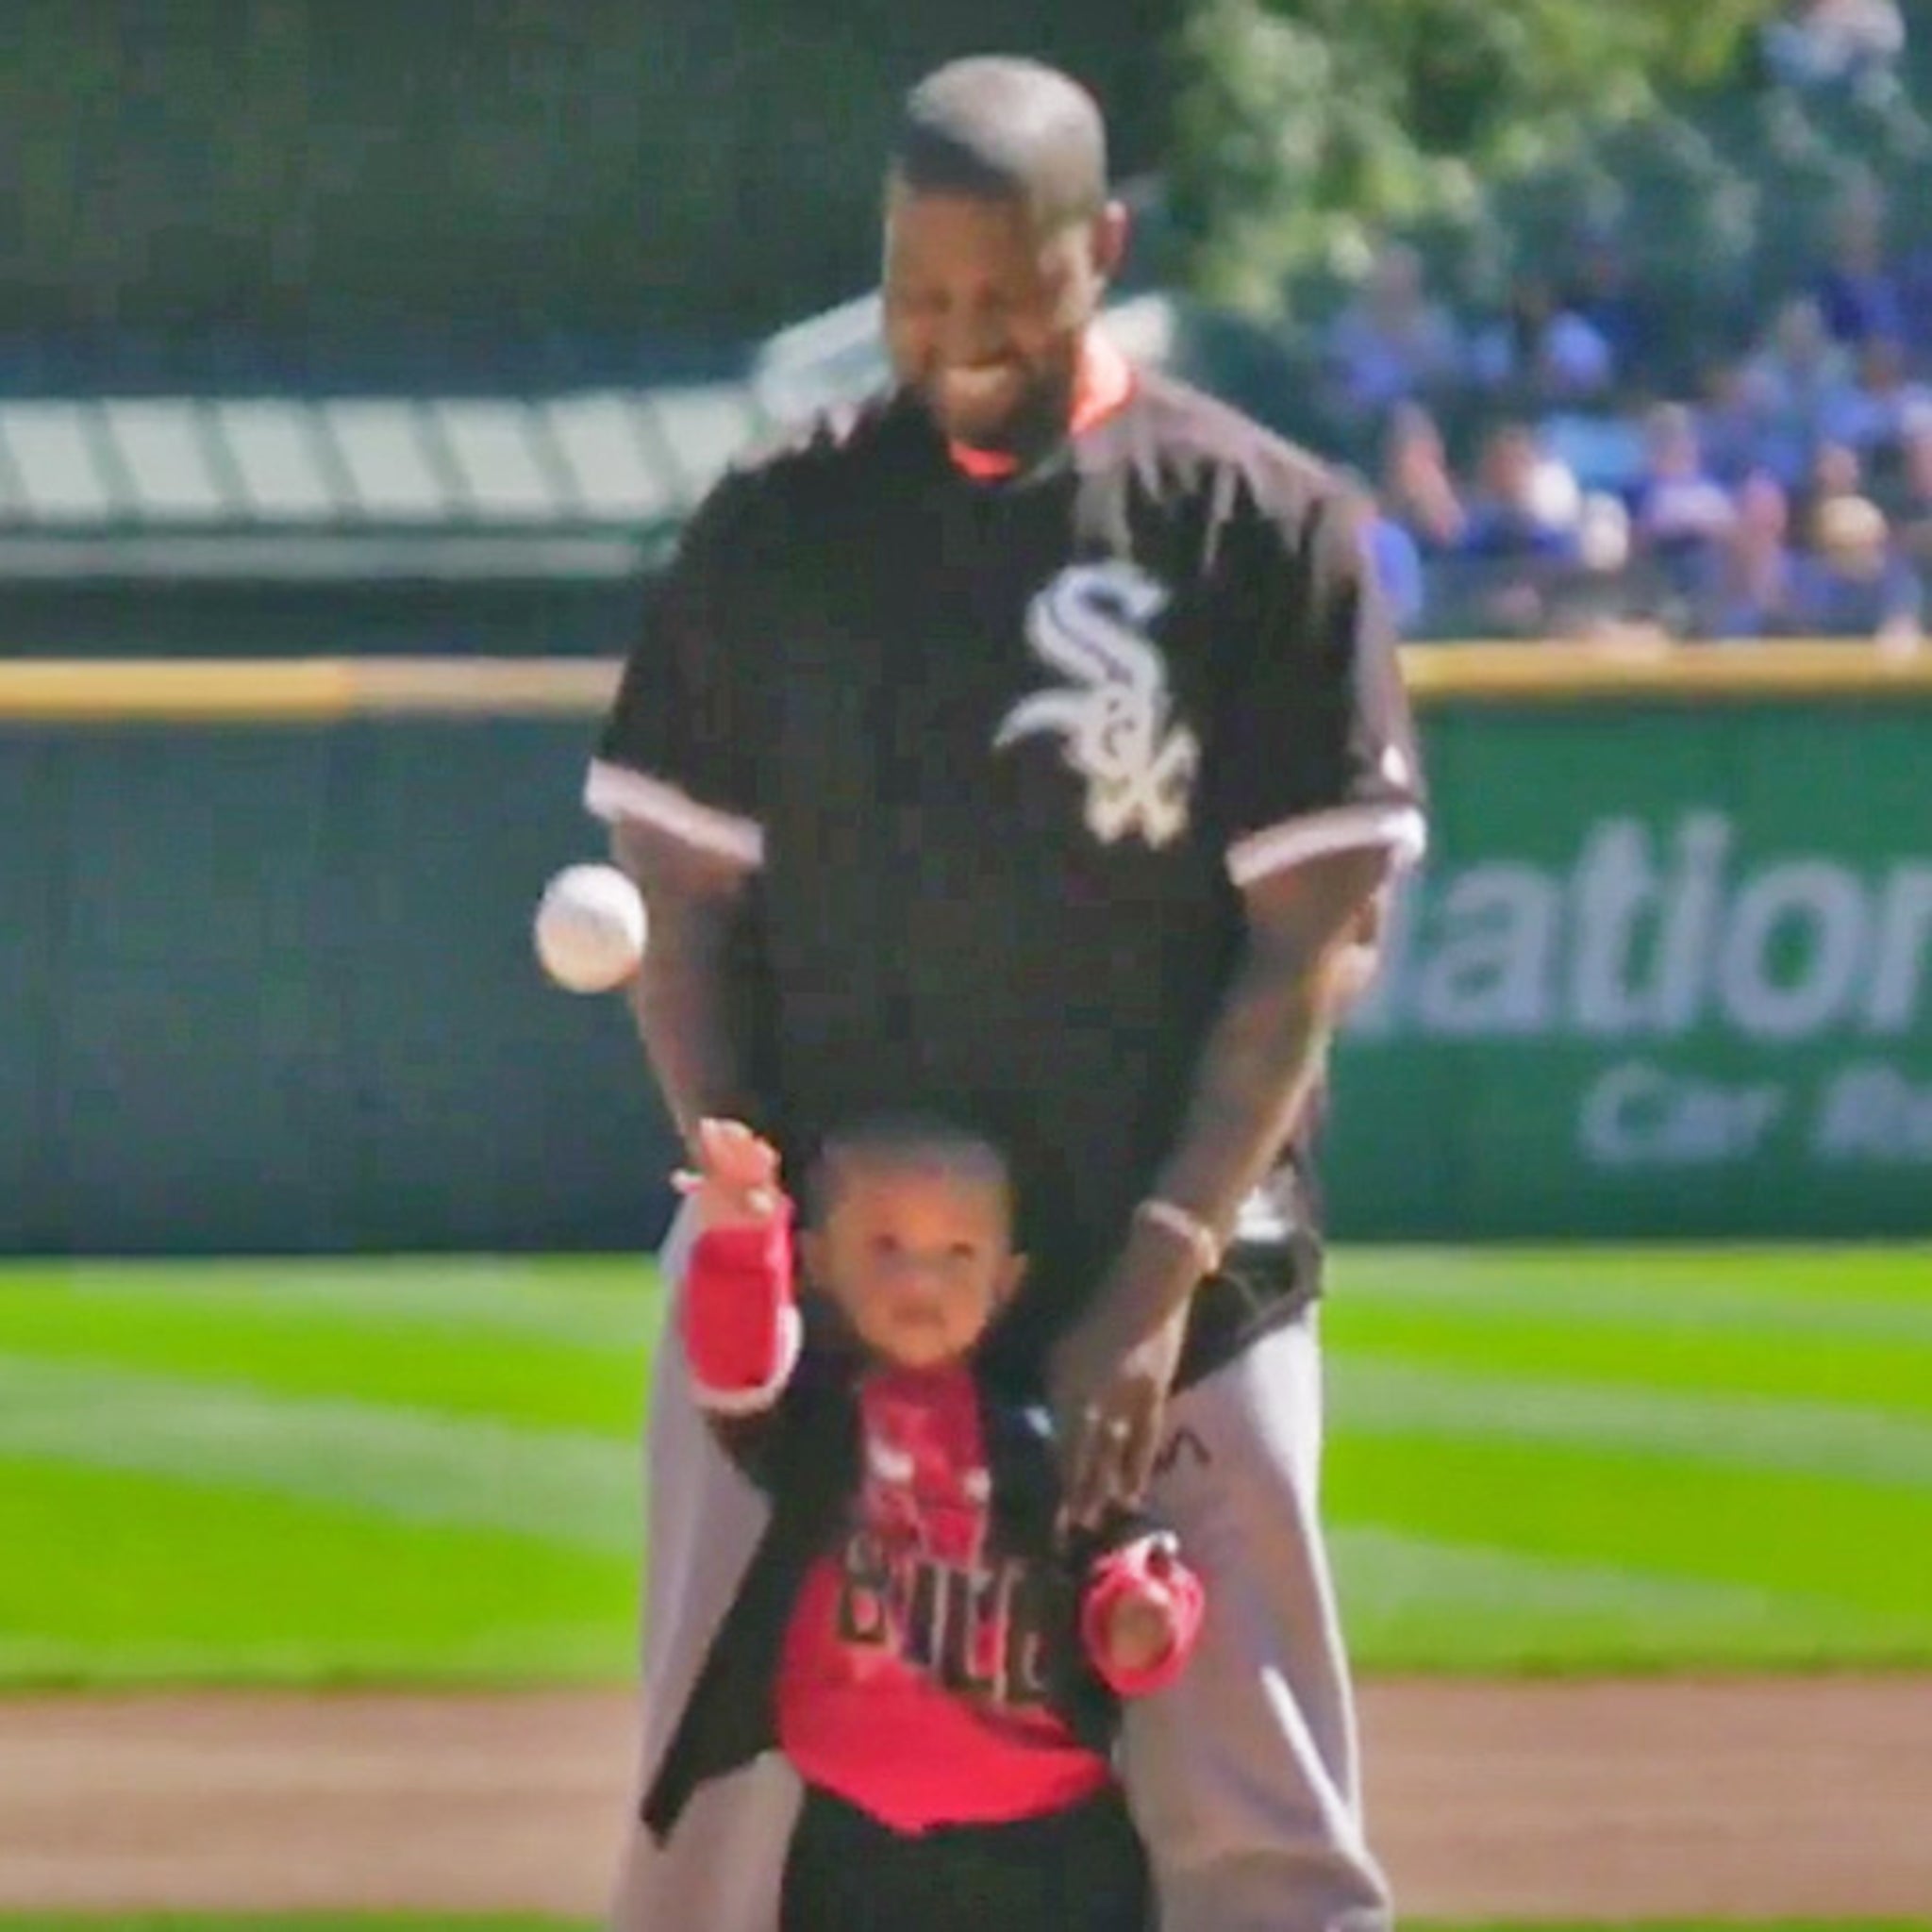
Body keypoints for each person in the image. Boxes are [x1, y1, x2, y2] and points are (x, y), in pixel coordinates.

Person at [589, 53, 1426, 1932]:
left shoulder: (1252, 526)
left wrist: (1145, 1275)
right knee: (707, 1831)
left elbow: (1311, 939)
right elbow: (679, 891)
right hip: (823, 1292)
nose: (958, 334)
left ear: (1099, 251)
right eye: (920, 290)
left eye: (1006, 290)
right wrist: (760, 1213)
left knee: (1258, 1832)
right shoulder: (777, 526)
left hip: (1182, 1280)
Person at [649, 1114, 1204, 1932]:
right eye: (885, 1249)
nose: (922, 1282)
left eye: (958, 1255)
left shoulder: (1043, 1430)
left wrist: (1141, 1616)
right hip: (853, 1842)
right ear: (819, 1262)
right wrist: (741, 1238)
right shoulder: (820, 1421)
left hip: (1051, 1845)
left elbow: (1115, 1546)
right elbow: (738, 1372)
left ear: (1006, 1279)